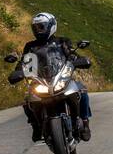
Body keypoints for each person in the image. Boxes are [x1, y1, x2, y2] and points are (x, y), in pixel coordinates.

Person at [8, 12, 92, 141]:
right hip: (40, 80)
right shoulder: (31, 46)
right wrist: (18, 72)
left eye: (41, 27)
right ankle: (36, 125)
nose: (38, 30)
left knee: (82, 91)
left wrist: (80, 60)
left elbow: (71, 54)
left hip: (61, 76)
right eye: (35, 28)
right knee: (28, 100)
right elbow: (25, 61)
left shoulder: (62, 42)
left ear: (51, 26)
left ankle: (84, 122)